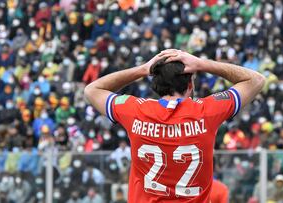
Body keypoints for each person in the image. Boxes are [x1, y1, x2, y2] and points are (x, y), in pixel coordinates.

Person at [84, 49, 265, 202]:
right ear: (190, 85)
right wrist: (202, 64)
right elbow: (256, 80)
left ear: (155, 84)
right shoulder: (207, 112)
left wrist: (142, 69)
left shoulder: (135, 111)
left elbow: (92, 90)